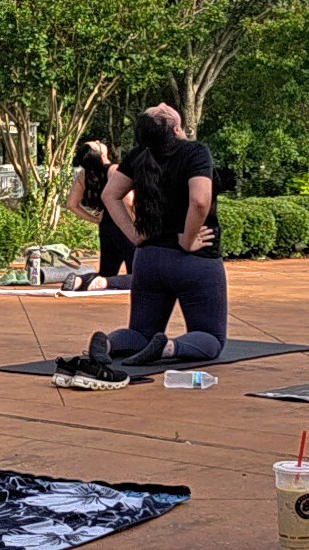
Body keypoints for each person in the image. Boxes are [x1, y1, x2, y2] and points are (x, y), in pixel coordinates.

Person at [87, 105, 226, 368]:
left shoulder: (138, 155)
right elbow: (199, 201)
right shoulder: (195, 152)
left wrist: (134, 235)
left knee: (140, 332)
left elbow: (110, 195)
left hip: (149, 259)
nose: (162, 104)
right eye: (159, 109)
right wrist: (186, 239)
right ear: (175, 128)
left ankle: (108, 343)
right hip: (193, 260)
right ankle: (169, 347)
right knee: (211, 338)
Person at [63, 141, 134, 286]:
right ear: (102, 154)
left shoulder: (84, 175)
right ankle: (103, 282)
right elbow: (129, 200)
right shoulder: (114, 170)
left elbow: (71, 204)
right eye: (97, 144)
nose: (99, 141)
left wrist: (95, 219)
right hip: (126, 227)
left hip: (106, 227)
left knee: (107, 271)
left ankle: (81, 280)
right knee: (140, 277)